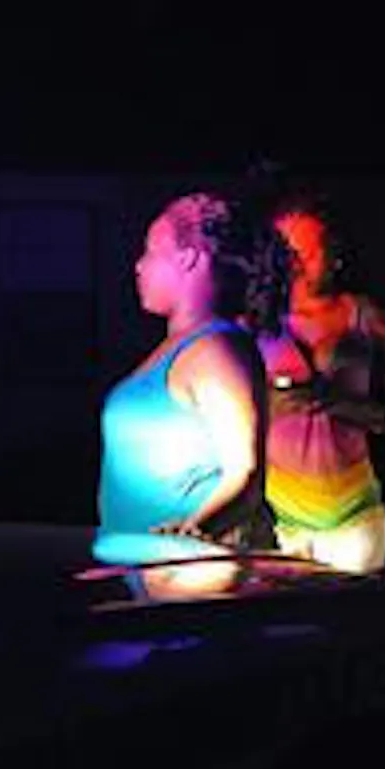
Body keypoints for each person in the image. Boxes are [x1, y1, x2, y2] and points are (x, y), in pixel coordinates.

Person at [93, 192, 290, 567]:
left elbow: (244, 472)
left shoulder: (216, 350)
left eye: (151, 252)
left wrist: (191, 536)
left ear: (189, 258)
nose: (139, 266)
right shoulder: (177, 349)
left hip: (188, 573)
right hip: (145, 567)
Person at [258, 199, 385, 574]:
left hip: (354, 523)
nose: (299, 264)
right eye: (289, 253)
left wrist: (340, 404)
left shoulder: (371, 322)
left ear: (334, 253)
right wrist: (269, 405)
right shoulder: (255, 327)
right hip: (282, 528)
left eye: (310, 251)